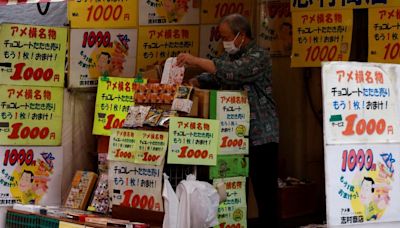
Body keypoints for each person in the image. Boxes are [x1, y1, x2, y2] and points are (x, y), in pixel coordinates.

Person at [176, 13, 279, 227]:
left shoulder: (259, 56)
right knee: (233, 186)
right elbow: (214, 75)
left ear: (241, 35)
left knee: (265, 190)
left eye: (226, 37)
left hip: (261, 133)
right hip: (232, 135)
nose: (224, 42)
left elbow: (232, 72)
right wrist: (196, 80)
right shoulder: (228, 56)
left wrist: (195, 60)